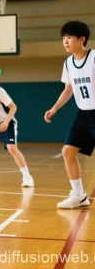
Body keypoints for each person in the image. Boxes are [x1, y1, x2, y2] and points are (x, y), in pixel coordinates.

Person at [45, 21, 93, 209]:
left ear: (82, 39)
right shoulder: (68, 63)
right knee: (68, 151)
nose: (65, 41)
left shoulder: (94, 58)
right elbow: (68, 89)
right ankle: (79, 195)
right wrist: (54, 108)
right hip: (83, 114)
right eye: (63, 38)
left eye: (69, 38)